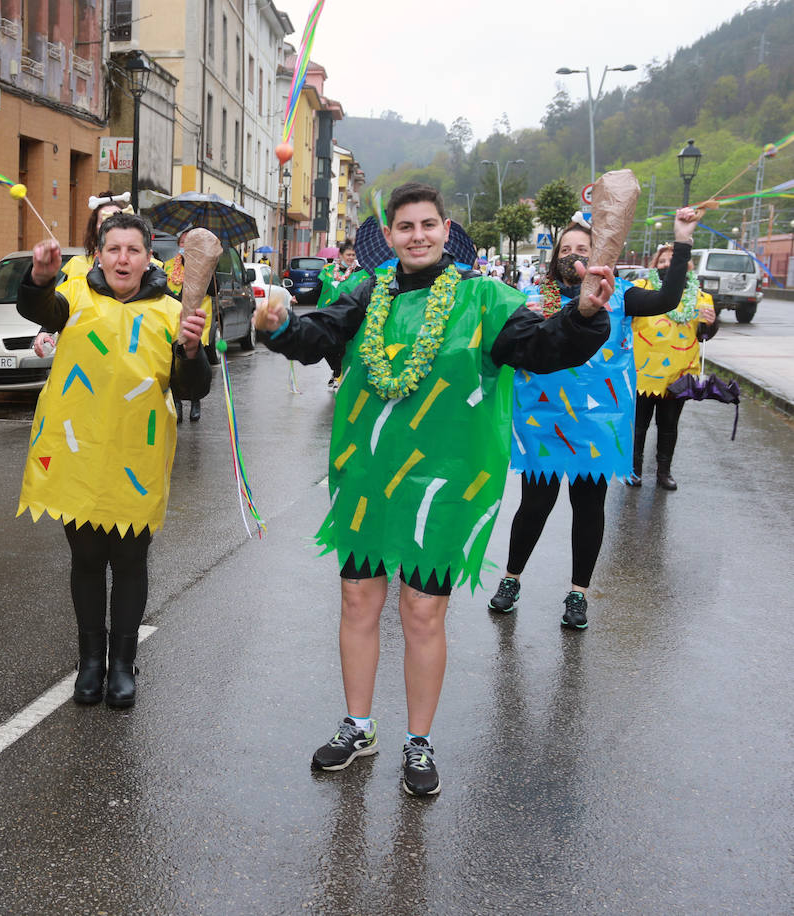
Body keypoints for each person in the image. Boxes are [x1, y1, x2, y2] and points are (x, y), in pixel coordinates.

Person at [254, 182, 612, 796]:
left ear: (447, 230)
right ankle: (358, 725)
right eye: (405, 226)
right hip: (367, 476)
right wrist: (280, 324)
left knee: (421, 612)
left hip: (446, 485)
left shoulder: (487, 299)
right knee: (359, 602)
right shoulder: (367, 294)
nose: (417, 235)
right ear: (389, 236)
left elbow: (545, 348)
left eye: (428, 225)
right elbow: (320, 338)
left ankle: (417, 741)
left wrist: (581, 314)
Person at [17, 212, 211, 709]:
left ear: (150, 258)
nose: (123, 258)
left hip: (136, 456)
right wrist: (39, 277)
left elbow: (193, 389)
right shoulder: (75, 296)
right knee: (85, 558)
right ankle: (91, 662)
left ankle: (122, 664)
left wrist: (191, 351)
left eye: (133, 250)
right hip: (75, 451)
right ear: (98, 254)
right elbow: (36, 305)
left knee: (128, 559)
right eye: (114, 249)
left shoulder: (175, 311)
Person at [487, 207, 699, 628]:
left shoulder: (622, 295)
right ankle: (511, 579)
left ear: (599, 254)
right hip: (542, 423)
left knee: (588, 507)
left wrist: (682, 240)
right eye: (565, 249)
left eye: (581, 248)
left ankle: (578, 594)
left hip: (598, 424)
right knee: (534, 506)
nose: (571, 253)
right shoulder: (533, 299)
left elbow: (669, 299)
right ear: (554, 259)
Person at [629, 243, 717, 489]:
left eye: (673, 261)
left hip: (679, 373)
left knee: (668, 426)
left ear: (687, 266)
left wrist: (711, 323)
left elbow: (703, 336)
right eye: (662, 261)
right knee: (638, 425)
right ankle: (633, 469)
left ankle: (663, 472)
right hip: (643, 372)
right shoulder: (640, 289)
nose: (667, 265)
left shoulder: (700, 297)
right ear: (654, 264)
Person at [31, 191, 130, 358]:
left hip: (128, 350)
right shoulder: (78, 265)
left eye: (117, 219)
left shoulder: (144, 266)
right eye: (105, 220)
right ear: (95, 228)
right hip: (87, 353)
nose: (112, 226)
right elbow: (61, 306)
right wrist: (45, 332)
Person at [163, 227, 218, 423]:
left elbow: (213, 291)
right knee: (174, 361)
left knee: (193, 359)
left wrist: (208, 272)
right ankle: (177, 402)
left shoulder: (206, 265)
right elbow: (163, 288)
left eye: (191, 243)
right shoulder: (168, 265)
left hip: (197, 322)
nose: (186, 247)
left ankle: (195, 402)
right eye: (183, 243)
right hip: (173, 318)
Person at [315, 241, 365, 389]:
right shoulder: (329, 271)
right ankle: (337, 370)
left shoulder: (361, 273)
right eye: (348, 254)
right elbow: (318, 290)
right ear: (341, 255)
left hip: (350, 317)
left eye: (353, 255)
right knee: (326, 346)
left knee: (345, 347)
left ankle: (340, 374)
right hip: (328, 316)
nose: (351, 257)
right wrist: (298, 297)